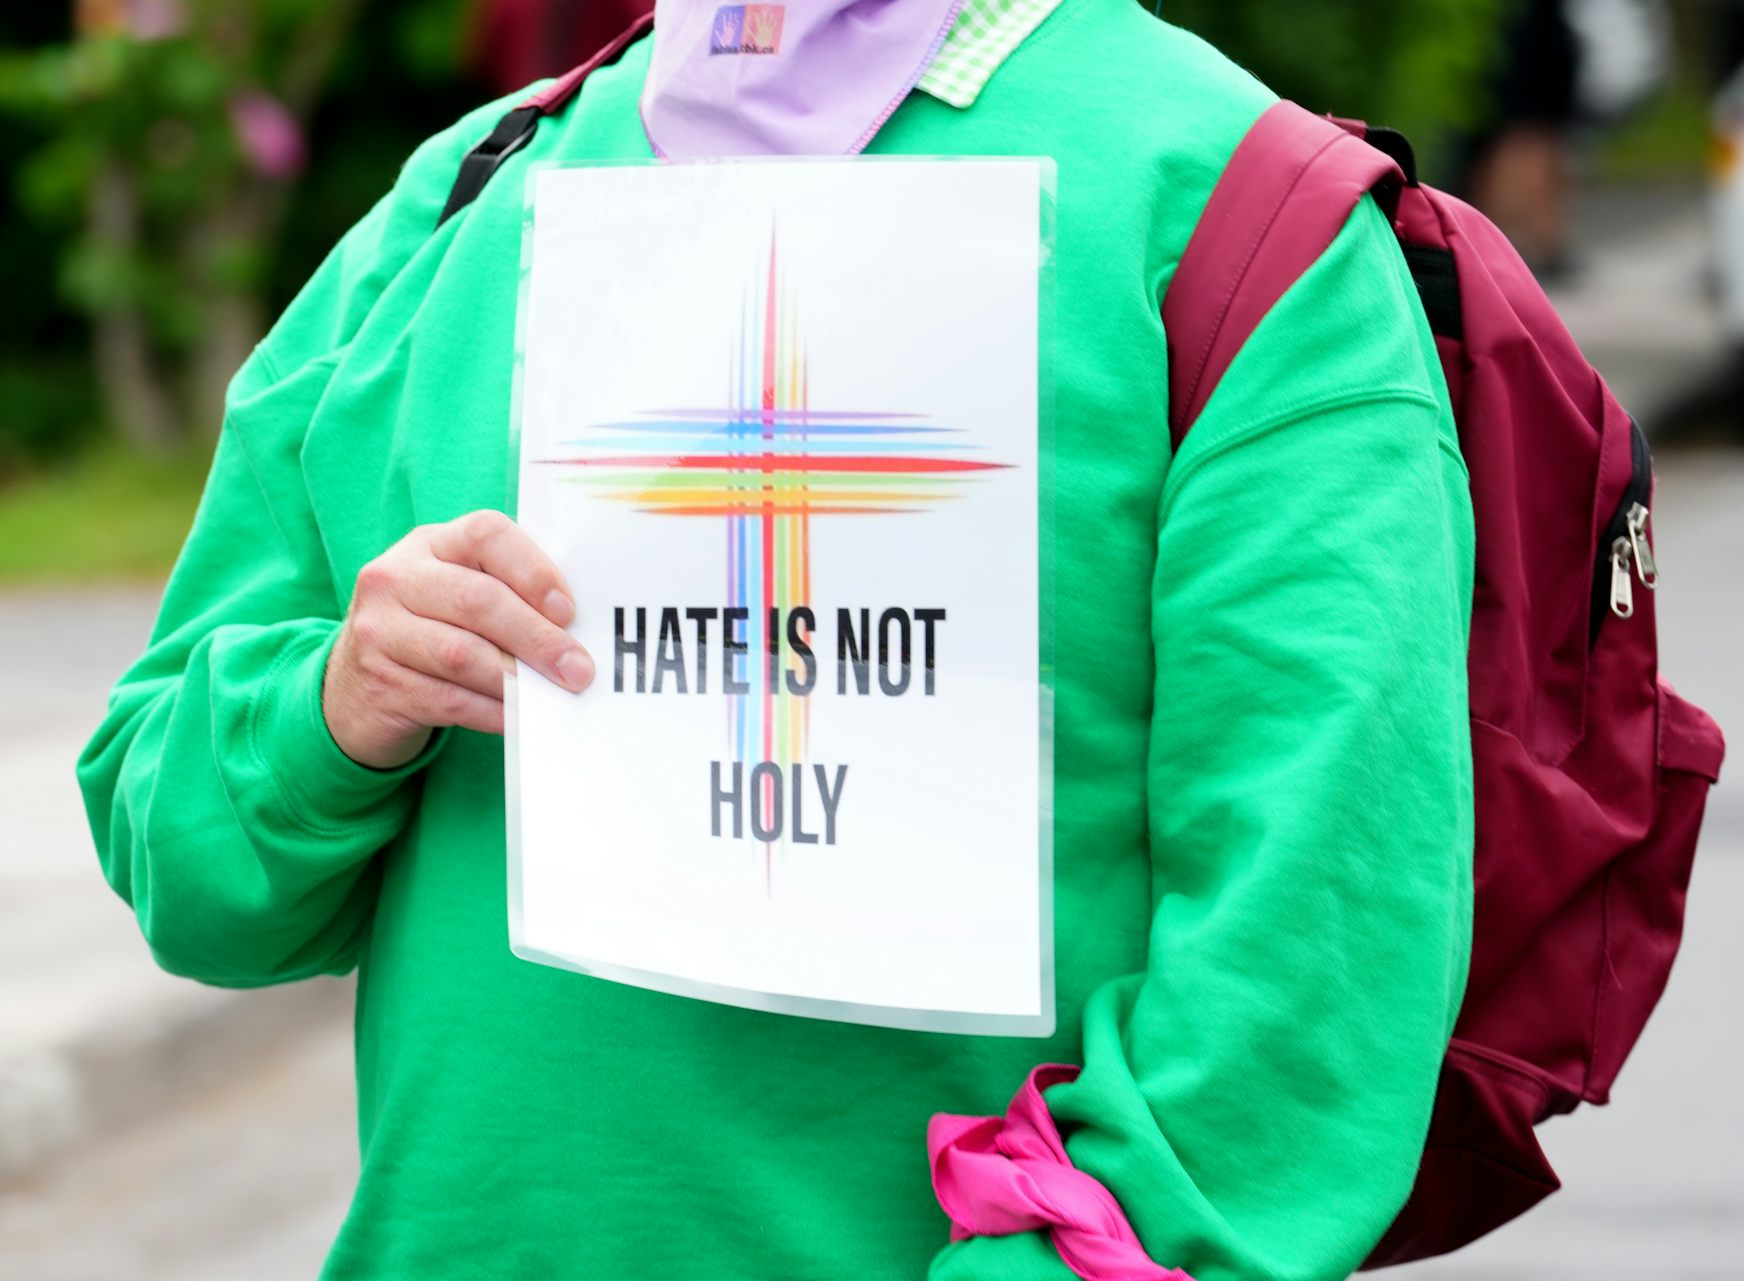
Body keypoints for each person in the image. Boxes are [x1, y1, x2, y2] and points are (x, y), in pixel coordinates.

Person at [77, 2, 1476, 1278]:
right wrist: (335, 703)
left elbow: (1310, 974)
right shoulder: (462, 200)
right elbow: (182, 861)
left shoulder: (1248, 226)